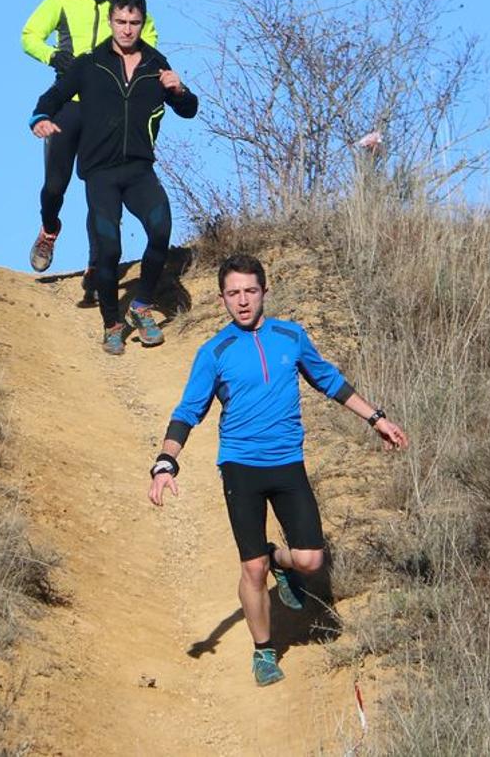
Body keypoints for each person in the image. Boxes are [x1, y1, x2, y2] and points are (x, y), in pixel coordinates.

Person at [146, 254, 409, 686]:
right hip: (240, 468)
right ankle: (264, 651)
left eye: (250, 291)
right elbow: (187, 411)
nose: (243, 301)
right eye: (234, 294)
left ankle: (278, 560)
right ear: (222, 299)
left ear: (264, 292)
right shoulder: (214, 352)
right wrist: (165, 461)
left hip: (288, 463)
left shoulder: (291, 336)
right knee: (251, 571)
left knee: (310, 558)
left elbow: (328, 379)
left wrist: (376, 419)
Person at [29, 0, 196, 355]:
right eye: (120, 22)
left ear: (142, 24)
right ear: (111, 21)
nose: (126, 30)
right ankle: (112, 323)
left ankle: (141, 306)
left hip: (139, 171)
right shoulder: (90, 64)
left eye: (134, 23)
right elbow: (53, 96)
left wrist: (179, 89)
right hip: (101, 172)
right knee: (109, 249)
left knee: (161, 230)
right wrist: (39, 119)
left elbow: (189, 109)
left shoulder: (155, 64)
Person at [20, 0, 158, 304]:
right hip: (69, 103)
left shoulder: (126, 5)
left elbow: (150, 42)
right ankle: (49, 229)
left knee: (101, 190)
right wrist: (52, 56)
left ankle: (97, 265)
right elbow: (29, 34)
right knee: (55, 185)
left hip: (110, 109)